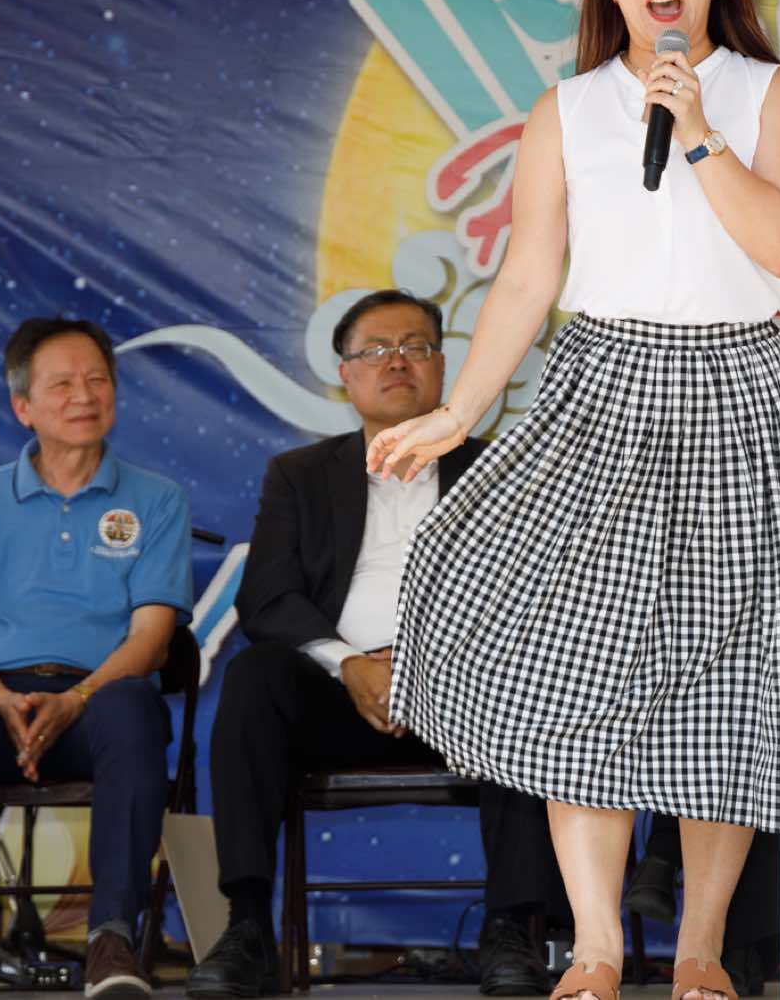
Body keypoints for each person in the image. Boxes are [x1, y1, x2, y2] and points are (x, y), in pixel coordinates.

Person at [366, 0, 780, 1000]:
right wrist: (458, 411)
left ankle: (700, 950)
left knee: (726, 681)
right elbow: (528, 274)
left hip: (735, 389)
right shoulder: (567, 109)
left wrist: (699, 134)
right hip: (603, 388)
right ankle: (594, 948)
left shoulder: (769, 92)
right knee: (572, 670)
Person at [187, 289, 569, 999]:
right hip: (338, 696)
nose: (397, 361)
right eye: (376, 350)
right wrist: (351, 665)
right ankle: (247, 925)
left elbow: (534, 597)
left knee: (527, 683)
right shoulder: (300, 475)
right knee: (254, 676)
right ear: (345, 374)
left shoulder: (500, 472)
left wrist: (427, 665)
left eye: (415, 346)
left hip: (469, 695)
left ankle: (512, 926)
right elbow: (266, 598)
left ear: (443, 366)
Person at [0, 319, 193, 1000]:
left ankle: (112, 939)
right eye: (63, 384)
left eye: (98, 380)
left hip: (100, 697)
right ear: (22, 406)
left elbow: (151, 639)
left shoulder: (157, 499)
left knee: (133, 711)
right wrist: (1, 701)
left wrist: (75, 701)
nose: (85, 395)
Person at [623, 486, 780, 995]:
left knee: (767, 716)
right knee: (716, 708)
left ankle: (677, 868)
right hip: (682, 693)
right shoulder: (677, 488)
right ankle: (724, 942)